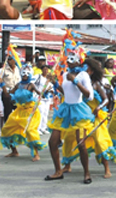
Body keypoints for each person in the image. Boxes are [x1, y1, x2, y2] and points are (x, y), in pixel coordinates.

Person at [45, 54, 95, 184]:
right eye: (69, 60)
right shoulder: (66, 73)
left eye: (73, 60)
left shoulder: (83, 75)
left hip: (78, 111)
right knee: (52, 142)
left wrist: (75, 81)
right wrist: (55, 83)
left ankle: (87, 173)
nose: (69, 62)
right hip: (65, 110)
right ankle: (58, 171)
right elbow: (65, 92)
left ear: (79, 61)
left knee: (81, 143)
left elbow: (89, 96)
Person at [0, 64, 46, 161]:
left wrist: (44, 93)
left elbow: (40, 95)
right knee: (6, 129)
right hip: (19, 111)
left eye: (27, 73)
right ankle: (14, 151)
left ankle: (36, 154)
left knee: (30, 131)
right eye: (23, 73)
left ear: (30, 74)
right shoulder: (18, 85)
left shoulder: (31, 85)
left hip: (30, 111)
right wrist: (2, 85)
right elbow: (8, 95)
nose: (25, 75)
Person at [33, 63, 53, 135]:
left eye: (47, 69)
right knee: (40, 112)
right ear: (41, 70)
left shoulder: (49, 79)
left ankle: (43, 128)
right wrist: (38, 92)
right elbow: (32, 84)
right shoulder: (38, 77)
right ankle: (37, 128)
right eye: (44, 69)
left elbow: (52, 88)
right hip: (39, 98)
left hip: (47, 98)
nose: (46, 71)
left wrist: (51, 90)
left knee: (45, 113)